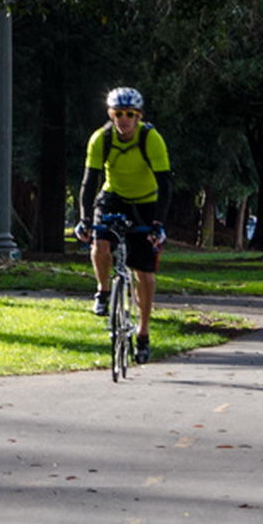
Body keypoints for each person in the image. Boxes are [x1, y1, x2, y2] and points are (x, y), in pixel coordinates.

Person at [75, 87, 170, 363]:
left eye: (130, 114)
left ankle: (143, 334)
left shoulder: (151, 139)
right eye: (119, 114)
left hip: (146, 202)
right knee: (100, 241)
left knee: (146, 275)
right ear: (110, 114)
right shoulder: (100, 139)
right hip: (113, 197)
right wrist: (83, 220)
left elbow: (165, 183)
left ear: (138, 116)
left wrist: (158, 223)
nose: (124, 119)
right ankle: (103, 291)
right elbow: (89, 181)